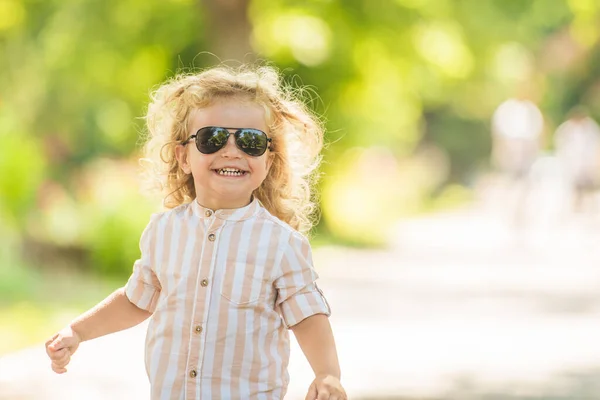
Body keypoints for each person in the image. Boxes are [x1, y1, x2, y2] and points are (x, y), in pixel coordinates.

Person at [45, 65, 346, 400]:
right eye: (211, 139)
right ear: (183, 156)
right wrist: (78, 332)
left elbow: (307, 315)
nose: (231, 151)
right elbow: (135, 300)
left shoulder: (281, 243)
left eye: (250, 141)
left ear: (269, 160)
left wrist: (328, 374)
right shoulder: (164, 231)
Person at [554, 107, 600, 214]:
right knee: (574, 189)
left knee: (589, 189)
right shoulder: (567, 129)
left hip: (587, 165)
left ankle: (589, 209)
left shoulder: (591, 129)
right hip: (572, 165)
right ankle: (574, 208)